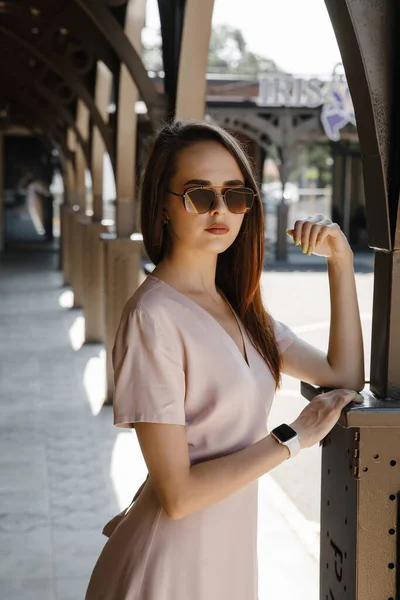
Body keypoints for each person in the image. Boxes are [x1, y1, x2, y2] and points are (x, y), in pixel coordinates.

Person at [85, 119, 364, 600]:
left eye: (235, 195)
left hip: (225, 555)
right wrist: (294, 436)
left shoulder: (240, 309)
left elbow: (343, 374)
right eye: (199, 194)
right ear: (164, 207)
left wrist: (340, 260)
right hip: (168, 567)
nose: (221, 209)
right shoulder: (152, 318)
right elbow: (177, 496)